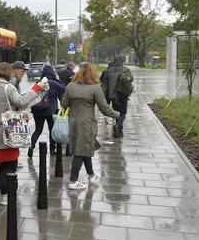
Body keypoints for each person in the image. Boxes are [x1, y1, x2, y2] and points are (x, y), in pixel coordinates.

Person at [0, 62, 47, 210]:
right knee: (11, 166)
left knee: (5, 164)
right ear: (8, 73)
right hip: (9, 130)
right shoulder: (8, 87)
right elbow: (21, 101)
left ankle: (5, 196)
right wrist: (37, 88)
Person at [62, 62, 120, 190]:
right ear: (92, 73)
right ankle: (72, 181)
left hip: (73, 122)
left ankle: (91, 174)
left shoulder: (70, 86)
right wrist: (117, 114)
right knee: (80, 150)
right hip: (87, 123)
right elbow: (104, 108)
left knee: (85, 147)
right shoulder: (95, 88)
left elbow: (64, 103)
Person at [27, 65, 66, 158]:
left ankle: (31, 147)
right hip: (50, 111)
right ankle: (52, 150)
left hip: (38, 111)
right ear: (52, 73)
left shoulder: (38, 83)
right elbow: (64, 88)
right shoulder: (52, 82)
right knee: (52, 131)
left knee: (38, 130)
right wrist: (57, 79)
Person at [101, 55, 133, 138]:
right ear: (122, 61)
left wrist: (106, 98)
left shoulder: (108, 71)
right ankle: (119, 127)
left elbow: (105, 85)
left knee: (116, 113)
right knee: (123, 113)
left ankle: (118, 128)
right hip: (123, 95)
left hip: (112, 96)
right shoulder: (126, 70)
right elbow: (131, 79)